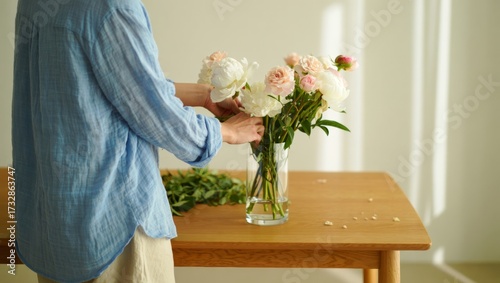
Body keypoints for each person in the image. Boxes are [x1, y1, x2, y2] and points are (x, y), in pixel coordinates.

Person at [11, 0, 263, 282]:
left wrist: (201, 94)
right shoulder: (112, 7)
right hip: (115, 226)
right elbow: (152, 112)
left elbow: (95, 84)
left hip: (54, 225)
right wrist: (224, 132)